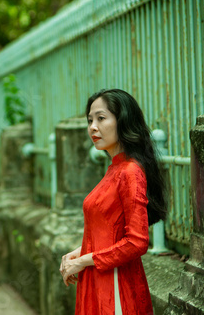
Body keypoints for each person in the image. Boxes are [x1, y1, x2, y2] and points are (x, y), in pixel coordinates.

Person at [59, 89, 167, 315]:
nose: (92, 127)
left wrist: (83, 261)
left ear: (123, 121)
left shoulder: (129, 172)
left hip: (116, 287)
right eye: (90, 120)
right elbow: (110, 233)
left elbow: (137, 242)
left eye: (101, 118)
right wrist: (79, 253)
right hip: (101, 279)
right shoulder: (115, 169)